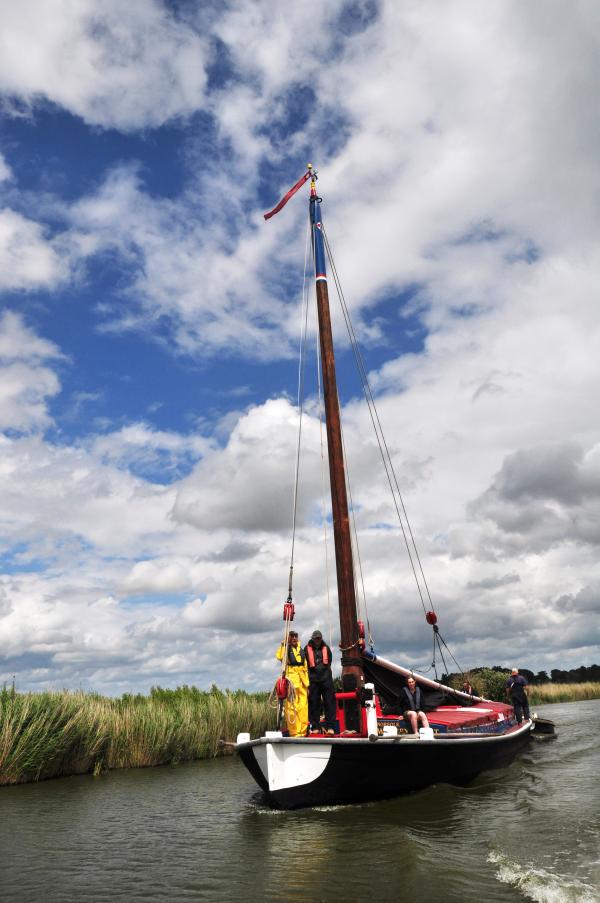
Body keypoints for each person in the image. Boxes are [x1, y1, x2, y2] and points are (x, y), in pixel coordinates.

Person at [275, 630, 309, 736]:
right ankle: (294, 733)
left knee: (303, 708)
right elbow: (279, 656)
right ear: (289, 638)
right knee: (291, 708)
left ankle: (302, 732)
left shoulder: (301, 651)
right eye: (292, 636)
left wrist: (307, 685)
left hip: (302, 682)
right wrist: (283, 644)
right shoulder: (285, 649)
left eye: (296, 636)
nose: (294, 638)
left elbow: (305, 668)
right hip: (292, 683)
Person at [305, 629, 336, 735]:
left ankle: (330, 727)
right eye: (315, 638)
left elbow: (330, 660)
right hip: (313, 680)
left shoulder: (326, 648)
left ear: (321, 638)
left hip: (326, 679)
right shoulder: (306, 649)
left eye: (319, 638)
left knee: (329, 702)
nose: (317, 640)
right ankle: (315, 727)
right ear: (312, 639)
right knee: (313, 703)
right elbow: (305, 664)